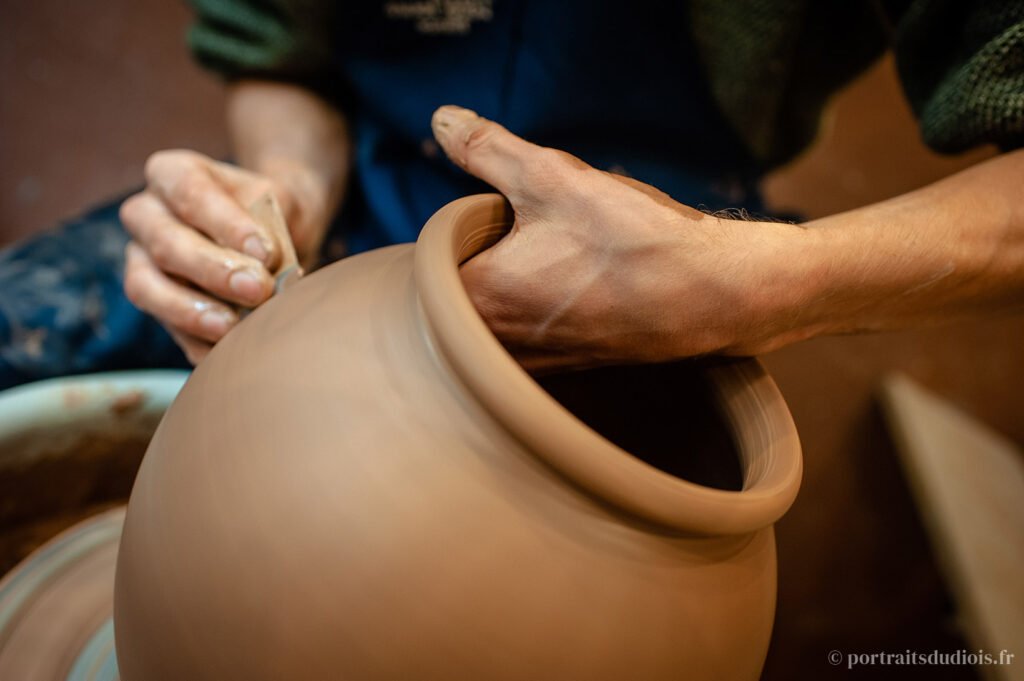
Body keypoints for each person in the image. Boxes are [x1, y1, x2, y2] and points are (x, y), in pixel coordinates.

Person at [1, 1, 1021, 387]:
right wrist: (284, 188)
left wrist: (756, 286)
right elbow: (273, 38)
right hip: (360, 201)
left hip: (679, 255)